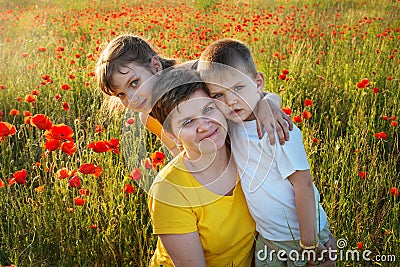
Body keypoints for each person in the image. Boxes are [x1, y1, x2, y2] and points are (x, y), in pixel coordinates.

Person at [197, 38, 336, 267]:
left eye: (238, 88)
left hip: (300, 237)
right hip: (267, 237)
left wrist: (309, 243)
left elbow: (304, 186)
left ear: (258, 82)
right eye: (218, 95)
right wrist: (268, 100)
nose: (230, 101)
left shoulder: (278, 130)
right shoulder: (231, 125)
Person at [95, 34, 293, 157]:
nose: (132, 99)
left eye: (135, 83)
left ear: (155, 66)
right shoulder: (147, 117)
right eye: (120, 94)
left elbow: (254, 92)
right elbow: (181, 154)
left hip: (255, 147)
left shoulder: (194, 73)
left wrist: (268, 103)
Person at [148, 68, 256, 266]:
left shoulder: (247, 150)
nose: (205, 126)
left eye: (208, 110)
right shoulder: (170, 190)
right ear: (172, 136)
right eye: (187, 122)